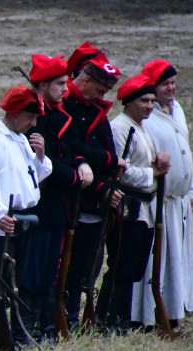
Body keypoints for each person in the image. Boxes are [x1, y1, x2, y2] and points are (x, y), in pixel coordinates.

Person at [0, 85, 52, 351]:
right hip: (0, 220)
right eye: (30, 116)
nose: (33, 123)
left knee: (13, 279)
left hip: (20, 218)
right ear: (15, 112)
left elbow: (32, 176)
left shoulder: (19, 139)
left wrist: (40, 156)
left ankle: (3, 333)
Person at [22, 53, 93, 343]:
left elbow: (70, 145)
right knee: (34, 271)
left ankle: (46, 326)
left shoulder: (57, 114)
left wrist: (80, 162)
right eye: (60, 84)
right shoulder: (35, 119)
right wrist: (75, 177)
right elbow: (46, 163)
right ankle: (30, 327)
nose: (66, 89)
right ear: (42, 85)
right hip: (42, 204)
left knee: (52, 270)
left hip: (58, 207)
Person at [97, 74, 170, 334]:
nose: (150, 106)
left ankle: (120, 319)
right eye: (144, 100)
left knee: (135, 267)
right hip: (128, 208)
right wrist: (153, 174)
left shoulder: (141, 126)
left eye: (152, 100)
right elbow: (120, 171)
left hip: (144, 209)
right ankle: (107, 318)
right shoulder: (120, 128)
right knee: (122, 265)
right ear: (128, 102)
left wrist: (156, 161)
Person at [60, 43, 124, 331]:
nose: (103, 94)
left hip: (94, 199)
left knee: (88, 264)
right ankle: (66, 317)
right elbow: (73, 149)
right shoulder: (66, 107)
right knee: (68, 266)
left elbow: (96, 150)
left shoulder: (92, 108)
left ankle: (75, 315)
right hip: (74, 199)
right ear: (85, 79)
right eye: (100, 87)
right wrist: (103, 179)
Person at [130, 59, 193, 329]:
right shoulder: (148, 116)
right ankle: (147, 315)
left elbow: (185, 150)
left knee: (177, 259)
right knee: (155, 260)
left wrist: (190, 189)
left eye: (173, 82)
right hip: (159, 201)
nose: (171, 88)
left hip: (179, 200)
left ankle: (174, 309)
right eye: (165, 84)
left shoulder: (177, 109)